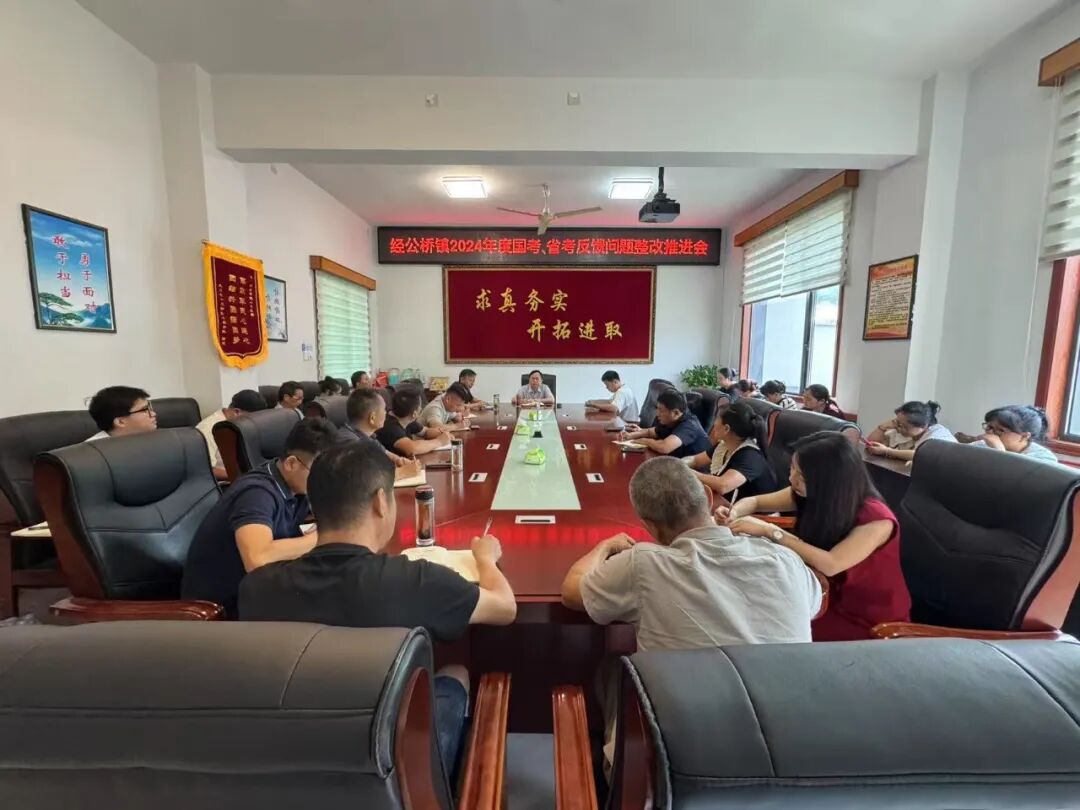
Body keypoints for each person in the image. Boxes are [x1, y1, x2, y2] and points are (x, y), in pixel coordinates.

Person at [238, 441, 517, 781]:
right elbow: (505, 607)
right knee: (455, 672)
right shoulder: (418, 581)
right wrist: (485, 559)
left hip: (290, 771)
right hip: (395, 774)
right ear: (381, 502)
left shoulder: (256, 588)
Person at [561, 457, 821, 766]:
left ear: (649, 527)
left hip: (680, 765)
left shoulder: (643, 564)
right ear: (708, 501)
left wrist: (604, 547)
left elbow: (572, 591)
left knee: (611, 669)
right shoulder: (785, 561)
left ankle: (610, 769)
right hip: (795, 754)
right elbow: (813, 606)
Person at [719, 431, 911, 641]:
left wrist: (770, 531)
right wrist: (733, 512)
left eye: (802, 476)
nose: (792, 479)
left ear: (831, 480)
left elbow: (831, 564)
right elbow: (755, 502)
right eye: (792, 468)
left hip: (862, 616)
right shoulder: (813, 492)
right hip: (815, 588)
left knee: (767, 628)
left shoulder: (877, 519)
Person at [181, 418, 338, 618]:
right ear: (291, 463)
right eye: (319, 473)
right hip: (224, 606)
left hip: (262, 588)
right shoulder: (256, 493)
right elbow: (257, 559)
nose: (324, 480)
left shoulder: (296, 485)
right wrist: (319, 538)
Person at [684, 399, 777, 502]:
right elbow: (696, 460)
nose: (714, 423)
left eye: (716, 419)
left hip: (754, 511)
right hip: (729, 505)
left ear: (726, 429)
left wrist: (686, 471)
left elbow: (723, 485)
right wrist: (678, 463)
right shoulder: (725, 445)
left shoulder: (751, 456)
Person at [341, 388, 423, 480]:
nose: (386, 413)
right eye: (384, 409)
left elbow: (385, 453)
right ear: (372, 418)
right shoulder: (349, 442)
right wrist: (403, 472)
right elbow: (364, 480)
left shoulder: (367, 435)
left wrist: (400, 461)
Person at [196, 389, 267, 480]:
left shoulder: (239, 425)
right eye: (251, 418)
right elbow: (207, 470)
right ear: (237, 412)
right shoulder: (207, 429)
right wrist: (244, 476)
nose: (253, 422)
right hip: (226, 482)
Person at [619, 388, 711, 459]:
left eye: (661, 410)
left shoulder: (689, 425)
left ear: (675, 413)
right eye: (657, 408)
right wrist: (631, 436)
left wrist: (645, 441)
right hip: (675, 464)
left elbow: (665, 447)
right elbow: (650, 432)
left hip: (694, 473)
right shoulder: (670, 420)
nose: (657, 414)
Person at [960, 405, 1059, 465]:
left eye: (1001, 430)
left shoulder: (1044, 459)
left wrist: (998, 451)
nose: (990, 433)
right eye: (989, 427)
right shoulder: (983, 445)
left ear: (1025, 436)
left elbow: (1013, 482)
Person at [865, 400, 956, 462]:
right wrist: (884, 426)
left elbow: (920, 455)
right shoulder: (904, 432)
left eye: (904, 426)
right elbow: (870, 442)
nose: (899, 428)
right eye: (897, 422)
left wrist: (887, 451)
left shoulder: (938, 434)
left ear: (923, 426)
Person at [376, 388, 454, 457]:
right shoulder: (390, 426)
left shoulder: (405, 417)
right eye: (420, 406)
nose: (421, 408)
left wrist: (441, 433)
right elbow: (412, 449)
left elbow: (425, 432)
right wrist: (439, 441)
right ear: (415, 413)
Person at [85, 386, 157, 441]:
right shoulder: (92, 453)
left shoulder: (149, 438)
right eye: (144, 410)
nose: (153, 414)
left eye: (149, 407)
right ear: (120, 422)